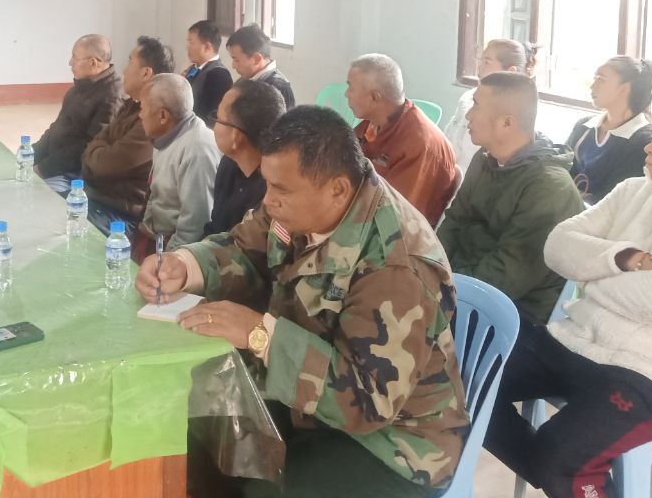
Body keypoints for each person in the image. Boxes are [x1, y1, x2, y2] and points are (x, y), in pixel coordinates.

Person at [137, 107, 468, 497]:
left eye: (281, 190)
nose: (268, 200)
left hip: (393, 445)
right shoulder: (300, 202)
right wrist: (186, 265)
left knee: (258, 488)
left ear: (338, 189)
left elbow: (368, 402)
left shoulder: (396, 268)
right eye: (267, 184)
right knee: (193, 428)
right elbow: (245, 247)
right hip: (306, 400)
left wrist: (260, 334)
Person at [486, 98, 652, 498]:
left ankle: (556, 468)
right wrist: (627, 258)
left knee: (560, 458)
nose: (649, 146)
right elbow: (557, 247)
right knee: (456, 383)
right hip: (578, 342)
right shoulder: (634, 191)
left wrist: (592, 278)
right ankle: (552, 467)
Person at [437, 72, 583, 322]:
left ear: (506, 123)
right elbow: (455, 220)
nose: (468, 115)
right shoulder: (486, 158)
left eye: (476, 106)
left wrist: (441, 288)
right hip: (461, 286)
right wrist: (431, 269)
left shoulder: (549, 188)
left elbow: (506, 276)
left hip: (513, 313)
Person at [345, 54, 458, 225]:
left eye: (351, 88)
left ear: (374, 97)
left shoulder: (419, 144)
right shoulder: (373, 124)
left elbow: (395, 217)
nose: (346, 94)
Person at [77, 36, 174, 234]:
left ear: (146, 73)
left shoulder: (152, 120)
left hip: (121, 213)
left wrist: (98, 150)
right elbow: (95, 144)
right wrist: (98, 150)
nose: (123, 71)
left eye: (130, 61)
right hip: (100, 196)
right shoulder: (132, 105)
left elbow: (103, 165)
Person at [133, 74, 222, 260]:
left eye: (142, 108)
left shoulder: (198, 150)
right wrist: (144, 231)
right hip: (154, 237)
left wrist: (166, 262)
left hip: (175, 250)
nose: (139, 115)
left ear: (163, 115)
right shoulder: (166, 134)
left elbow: (194, 226)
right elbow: (155, 193)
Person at [567, 56, 652, 203]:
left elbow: (618, 201)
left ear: (624, 88)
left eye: (601, 79)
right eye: (595, 78)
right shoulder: (583, 127)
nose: (592, 86)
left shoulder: (644, 142)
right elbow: (562, 170)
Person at [34, 34, 122, 181]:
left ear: (93, 62)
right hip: (53, 162)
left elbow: (88, 148)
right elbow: (57, 127)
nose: (70, 63)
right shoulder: (81, 86)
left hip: (74, 176)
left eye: (74, 57)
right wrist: (32, 153)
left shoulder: (112, 97)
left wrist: (42, 169)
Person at [204, 78, 285, 237]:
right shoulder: (229, 163)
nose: (214, 125)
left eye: (218, 118)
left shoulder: (270, 195)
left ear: (236, 136)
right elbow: (215, 226)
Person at [443, 39, 536, 173]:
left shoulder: (514, 113)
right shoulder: (468, 97)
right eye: (481, 61)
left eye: (487, 62)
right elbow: (448, 138)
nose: (479, 69)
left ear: (511, 71)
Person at [226, 24, 294, 108]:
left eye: (236, 60)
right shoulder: (247, 79)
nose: (233, 66)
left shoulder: (278, 88)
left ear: (256, 59)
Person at [183, 20, 233, 127]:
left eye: (191, 42)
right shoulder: (194, 68)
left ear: (207, 47)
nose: (187, 47)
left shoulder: (219, 75)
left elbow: (210, 118)